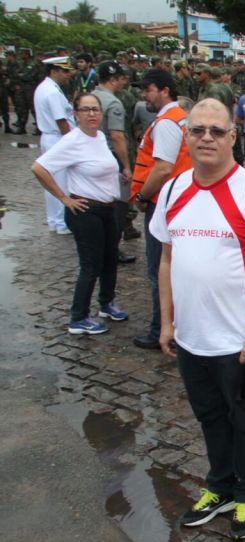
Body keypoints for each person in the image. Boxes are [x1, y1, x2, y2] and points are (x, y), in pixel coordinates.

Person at [152, 98, 245, 541]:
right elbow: (166, 259)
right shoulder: (174, 189)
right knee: (210, 418)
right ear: (187, 137)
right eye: (198, 130)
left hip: (238, 343)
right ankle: (220, 486)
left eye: (217, 130)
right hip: (192, 341)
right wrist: (167, 323)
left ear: (233, 136)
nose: (207, 138)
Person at [32, 92, 129, 335]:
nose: (92, 114)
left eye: (95, 109)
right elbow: (39, 167)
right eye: (86, 110)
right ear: (76, 114)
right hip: (86, 211)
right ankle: (78, 317)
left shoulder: (99, 137)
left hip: (108, 208)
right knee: (91, 265)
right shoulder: (72, 140)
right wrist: (64, 198)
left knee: (110, 261)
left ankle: (106, 304)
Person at [130, 69, 192, 351]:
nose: (144, 95)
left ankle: (161, 328)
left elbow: (163, 167)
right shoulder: (180, 118)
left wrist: (142, 195)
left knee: (160, 270)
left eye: (149, 89)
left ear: (165, 90)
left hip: (163, 204)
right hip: (178, 202)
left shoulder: (168, 122)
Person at [91, 61, 135, 265]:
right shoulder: (113, 102)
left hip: (91, 157)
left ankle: (99, 246)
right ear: (113, 79)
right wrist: (126, 166)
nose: (123, 83)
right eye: (121, 79)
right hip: (111, 157)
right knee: (118, 205)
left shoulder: (89, 98)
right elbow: (117, 136)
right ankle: (112, 249)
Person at [33, 56, 77, 235]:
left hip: (50, 138)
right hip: (57, 138)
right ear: (55, 71)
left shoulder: (45, 88)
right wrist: (71, 143)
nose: (67, 75)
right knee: (60, 182)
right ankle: (61, 222)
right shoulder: (51, 92)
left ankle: (54, 220)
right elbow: (62, 121)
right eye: (65, 71)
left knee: (51, 180)